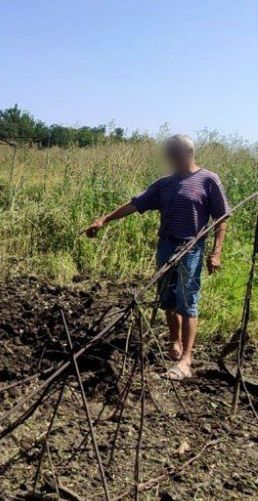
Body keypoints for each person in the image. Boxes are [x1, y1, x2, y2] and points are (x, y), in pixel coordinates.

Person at [85, 134, 229, 381]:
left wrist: (216, 252)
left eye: (171, 154)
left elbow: (221, 219)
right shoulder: (164, 184)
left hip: (191, 249)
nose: (168, 158)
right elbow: (134, 204)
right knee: (167, 298)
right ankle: (175, 343)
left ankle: (186, 360)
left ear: (183, 155)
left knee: (188, 301)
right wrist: (104, 219)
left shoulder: (208, 180)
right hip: (166, 247)